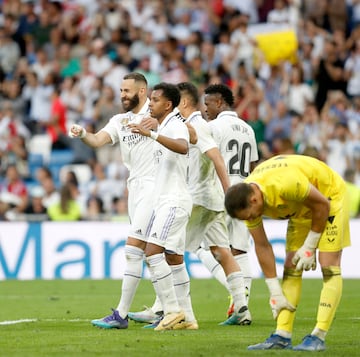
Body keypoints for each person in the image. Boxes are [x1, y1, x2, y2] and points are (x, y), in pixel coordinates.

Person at [128, 81, 251, 327]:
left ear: (181, 103)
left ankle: (167, 310)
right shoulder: (186, 126)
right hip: (212, 200)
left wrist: (230, 192)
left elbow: (216, 157)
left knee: (164, 252)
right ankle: (242, 307)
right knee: (220, 251)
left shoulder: (195, 126)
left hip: (198, 198)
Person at [224, 154, 351, 351]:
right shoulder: (245, 198)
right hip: (301, 207)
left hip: (328, 196)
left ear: (254, 198)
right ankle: (282, 335)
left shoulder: (284, 184)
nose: (252, 218)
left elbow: (322, 205)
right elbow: (262, 245)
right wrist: (274, 290)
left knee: (328, 264)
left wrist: (310, 246)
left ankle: (319, 335)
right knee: (291, 265)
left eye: (251, 214)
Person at [68, 72, 155, 330]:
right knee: (155, 253)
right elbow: (96, 141)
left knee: (134, 250)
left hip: (156, 186)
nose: (122, 95)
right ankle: (166, 309)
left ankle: (121, 314)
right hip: (135, 188)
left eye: (126, 91)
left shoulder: (158, 113)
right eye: (120, 91)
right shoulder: (120, 120)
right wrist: (83, 132)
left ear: (141, 91)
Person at [128, 82, 197, 331]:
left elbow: (184, 146)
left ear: (167, 104)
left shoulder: (174, 124)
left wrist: (152, 135)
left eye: (155, 100)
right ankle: (188, 318)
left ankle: (171, 311)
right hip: (167, 201)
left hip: (174, 201)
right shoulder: (167, 124)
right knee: (174, 258)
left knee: (152, 252)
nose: (151, 103)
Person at [204, 83, 259, 319]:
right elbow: (253, 166)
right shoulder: (248, 129)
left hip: (220, 193)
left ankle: (238, 295)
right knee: (239, 250)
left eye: (207, 104)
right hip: (243, 194)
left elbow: (206, 160)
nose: (204, 109)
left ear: (219, 102)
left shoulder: (214, 127)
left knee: (202, 247)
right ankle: (242, 308)